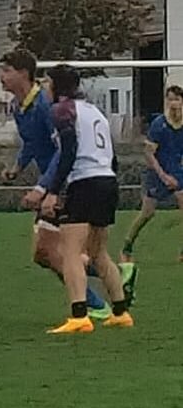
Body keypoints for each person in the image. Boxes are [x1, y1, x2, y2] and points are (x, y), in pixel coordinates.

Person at [27, 65, 132, 335]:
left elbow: (68, 151)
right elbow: (113, 157)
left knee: (71, 252)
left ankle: (79, 316)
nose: (44, 87)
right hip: (107, 181)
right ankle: (121, 312)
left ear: (57, 85)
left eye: (47, 82)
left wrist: (53, 191)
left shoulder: (63, 110)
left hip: (85, 182)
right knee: (98, 252)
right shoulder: (95, 111)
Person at [120, 84, 183, 269]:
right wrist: (163, 176)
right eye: (170, 99)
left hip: (177, 172)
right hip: (157, 173)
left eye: (177, 99)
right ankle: (126, 247)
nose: (173, 103)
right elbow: (149, 154)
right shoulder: (159, 125)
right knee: (147, 213)